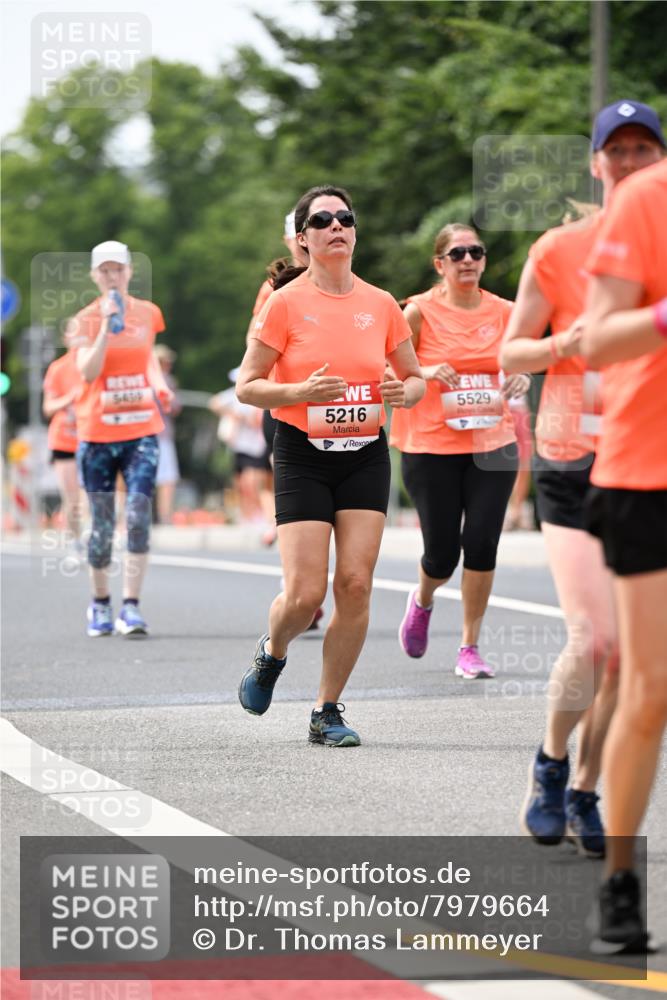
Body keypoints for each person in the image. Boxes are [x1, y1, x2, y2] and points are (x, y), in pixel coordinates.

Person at [500, 100, 665, 858]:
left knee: (633, 659)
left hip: (645, 461)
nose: (629, 161)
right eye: (616, 150)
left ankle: (588, 789)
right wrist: (572, 342)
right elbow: (511, 354)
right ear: (595, 164)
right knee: (596, 641)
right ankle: (550, 762)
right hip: (572, 461)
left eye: (643, 148)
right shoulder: (557, 249)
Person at [235, 184, 424, 747]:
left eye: (345, 217)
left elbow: (415, 380)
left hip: (365, 451)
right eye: (322, 220)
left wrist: (402, 392)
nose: (336, 226)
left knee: (357, 583)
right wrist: (303, 389)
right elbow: (248, 387)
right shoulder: (284, 303)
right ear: (303, 239)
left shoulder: (382, 303)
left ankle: (327, 710)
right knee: (304, 595)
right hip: (302, 453)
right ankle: (273, 653)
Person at [581, 155, 667, 951]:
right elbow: (599, 341)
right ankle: (617, 879)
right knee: (649, 688)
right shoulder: (647, 198)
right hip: (649, 472)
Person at [391, 223, 530, 679]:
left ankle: (469, 646)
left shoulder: (506, 312)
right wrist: (428, 371)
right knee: (442, 554)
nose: (467, 259)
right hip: (430, 444)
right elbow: (387, 366)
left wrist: (521, 377)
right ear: (440, 264)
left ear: (484, 260)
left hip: (494, 443)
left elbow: (524, 358)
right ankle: (423, 599)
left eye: (476, 252)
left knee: (483, 543)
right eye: (457, 254)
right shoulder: (417, 312)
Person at [67, 240, 173, 637]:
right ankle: (99, 604)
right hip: (97, 433)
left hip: (141, 429)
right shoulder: (85, 319)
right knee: (102, 524)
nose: (113, 276)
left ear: (130, 272)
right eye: (105, 270)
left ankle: (131, 606)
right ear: (95, 276)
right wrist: (106, 331)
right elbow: (88, 372)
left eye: (119, 269)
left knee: (139, 516)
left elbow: (147, 356)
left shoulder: (148, 313)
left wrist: (160, 385)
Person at [208, 368, 273, 527]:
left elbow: (257, 420)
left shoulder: (260, 394)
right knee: (241, 484)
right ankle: (247, 516)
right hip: (240, 446)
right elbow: (215, 402)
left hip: (257, 446)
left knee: (253, 483)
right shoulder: (235, 395)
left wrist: (242, 418)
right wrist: (232, 414)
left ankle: (260, 515)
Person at [42, 344, 84, 550]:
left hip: (91, 438)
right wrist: (70, 399)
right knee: (72, 495)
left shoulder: (98, 363)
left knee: (93, 494)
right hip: (64, 439)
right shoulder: (58, 368)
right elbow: (48, 408)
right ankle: (75, 540)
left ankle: (91, 535)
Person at [153, 343, 182, 525]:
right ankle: (164, 516)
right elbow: (173, 407)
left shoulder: (142, 380)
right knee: (167, 479)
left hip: (143, 435)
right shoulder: (165, 381)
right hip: (161, 435)